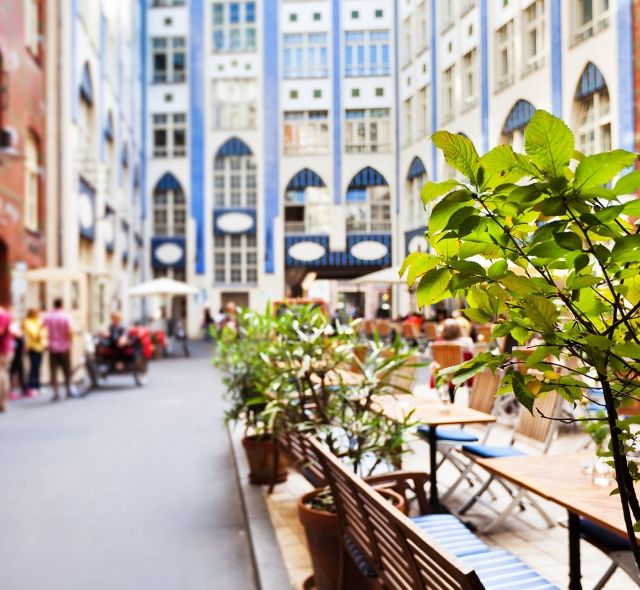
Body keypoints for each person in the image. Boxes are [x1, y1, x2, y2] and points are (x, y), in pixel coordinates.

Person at [43, 298, 73, 401]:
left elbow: (42, 328)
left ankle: (56, 392)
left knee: (53, 370)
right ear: (62, 305)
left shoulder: (49, 316)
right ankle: (68, 389)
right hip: (64, 347)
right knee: (66, 369)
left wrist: (46, 341)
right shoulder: (65, 316)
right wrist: (70, 344)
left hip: (53, 347)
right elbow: (69, 331)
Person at [23, 308, 46, 396]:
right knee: (33, 367)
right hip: (33, 347)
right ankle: (31, 386)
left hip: (40, 347)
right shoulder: (27, 322)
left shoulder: (38, 320)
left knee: (38, 367)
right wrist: (41, 330)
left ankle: (37, 385)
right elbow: (35, 334)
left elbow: (44, 333)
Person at [9, 318, 26, 399]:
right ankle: (10, 390)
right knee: (12, 370)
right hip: (13, 352)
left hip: (18, 352)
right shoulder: (10, 326)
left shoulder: (13, 325)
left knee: (19, 369)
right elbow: (17, 334)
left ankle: (23, 387)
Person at [0, 305, 12, 412]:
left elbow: (1, 330)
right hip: (4, 349)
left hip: (2, 350)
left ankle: (2, 402)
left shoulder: (2, 315)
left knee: (2, 375)